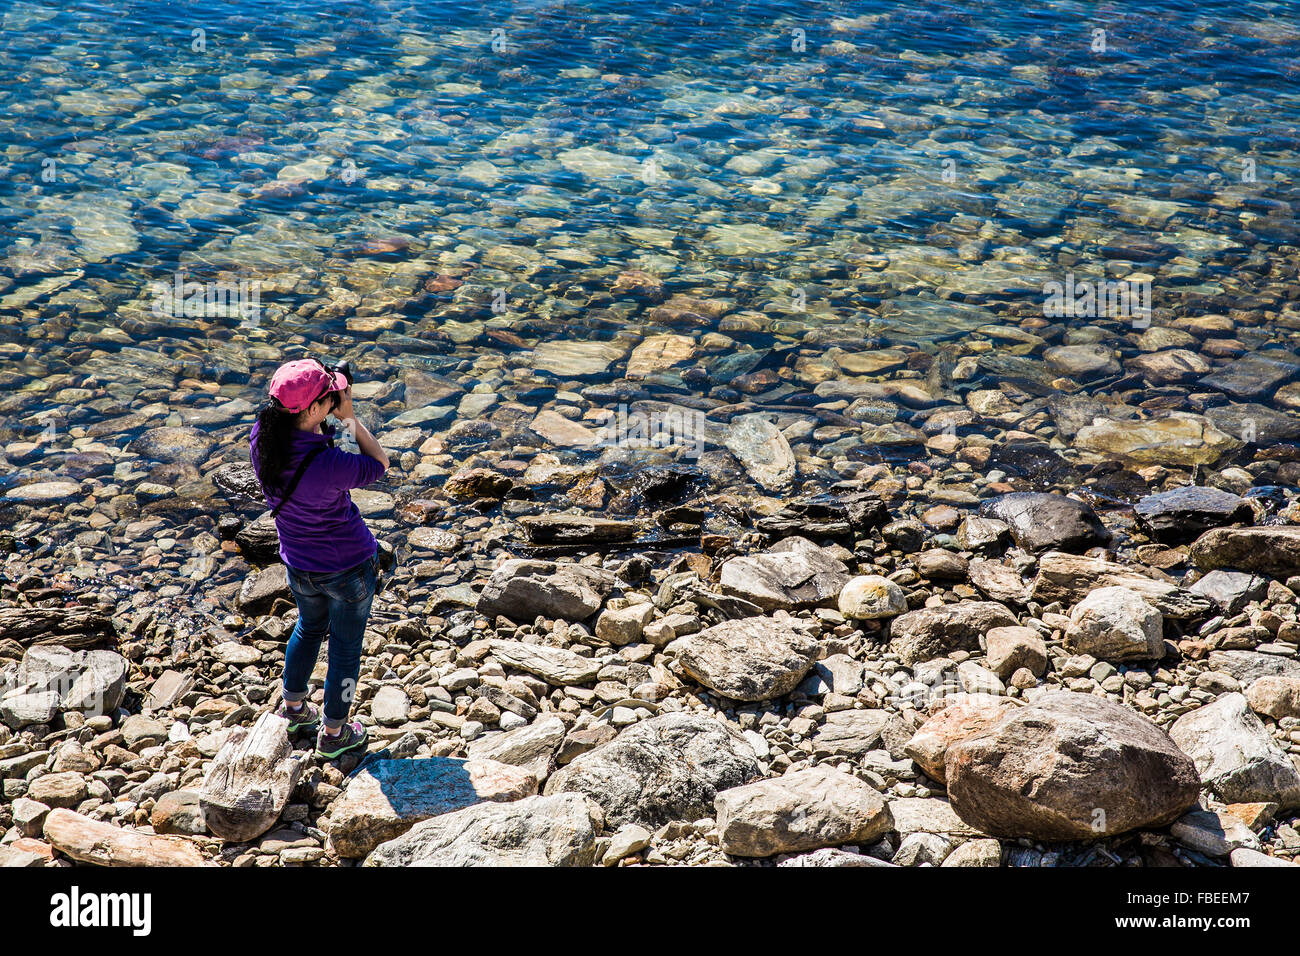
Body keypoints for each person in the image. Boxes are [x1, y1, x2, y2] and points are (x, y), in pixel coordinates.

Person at [249, 358, 390, 758]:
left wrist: (330, 413)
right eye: (329, 397)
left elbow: (307, 435)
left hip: (298, 563)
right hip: (348, 566)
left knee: (308, 629)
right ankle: (334, 732)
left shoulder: (263, 437)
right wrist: (350, 419)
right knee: (345, 649)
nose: (335, 401)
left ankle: (294, 708)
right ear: (313, 410)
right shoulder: (330, 464)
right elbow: (380, 464)